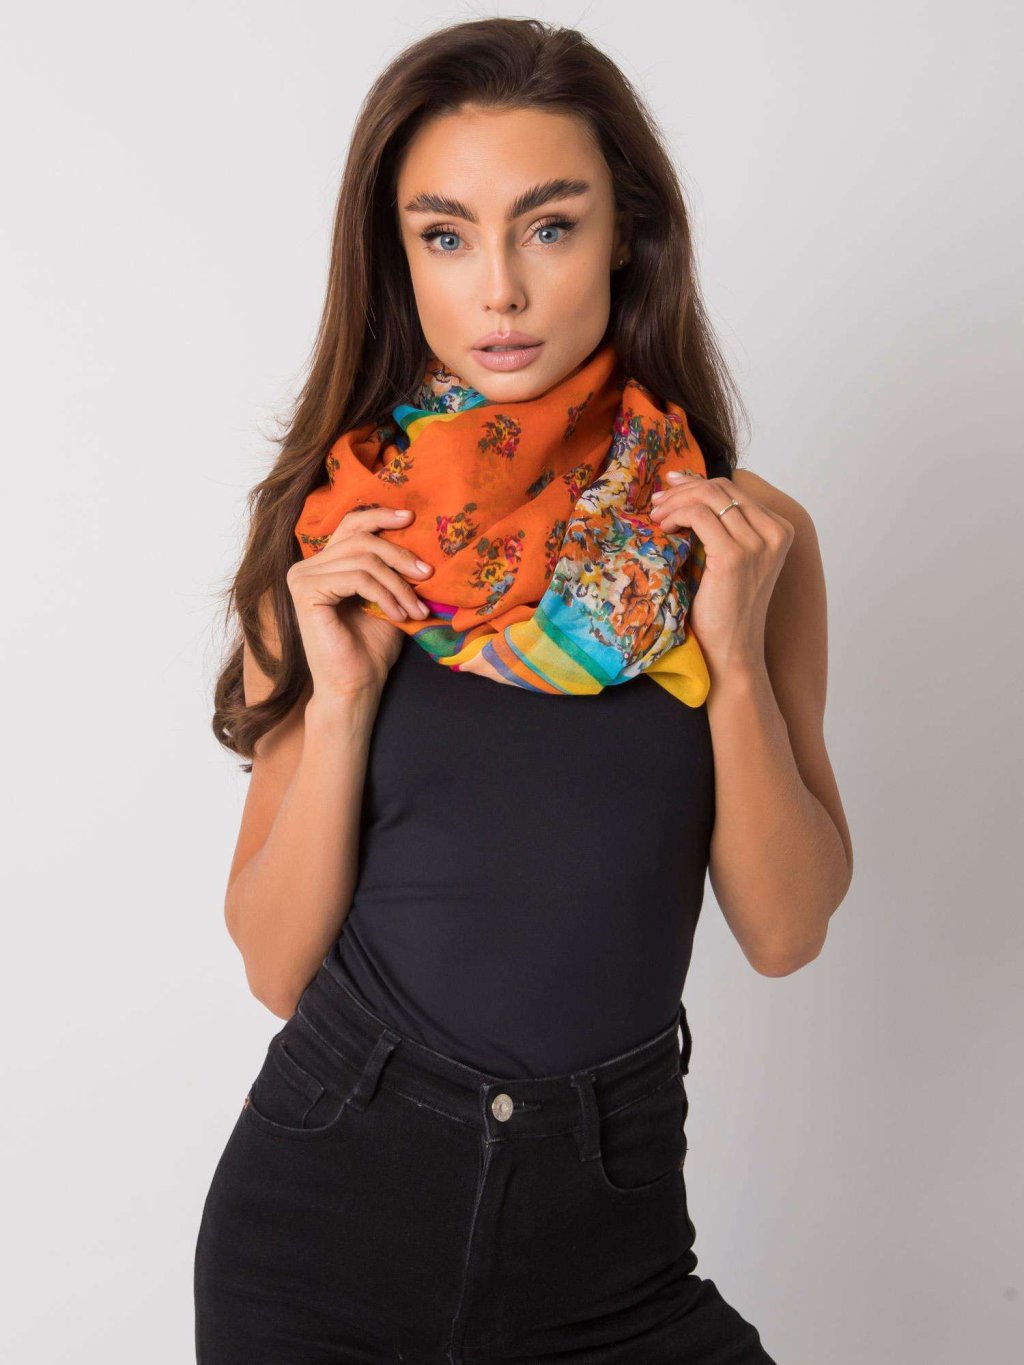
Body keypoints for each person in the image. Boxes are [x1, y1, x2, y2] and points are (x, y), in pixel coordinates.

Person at [193, 16, 853, 1364]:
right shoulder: (342, 541)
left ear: (626, 235)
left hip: (612, 1258)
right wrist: (342, 704)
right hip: (326, 1239)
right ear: (398, 260)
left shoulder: (745, 540)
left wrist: (730, 662)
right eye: (446, 236)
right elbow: (273, 964)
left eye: (548, 226)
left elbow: (786, 930)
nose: (499, 288)